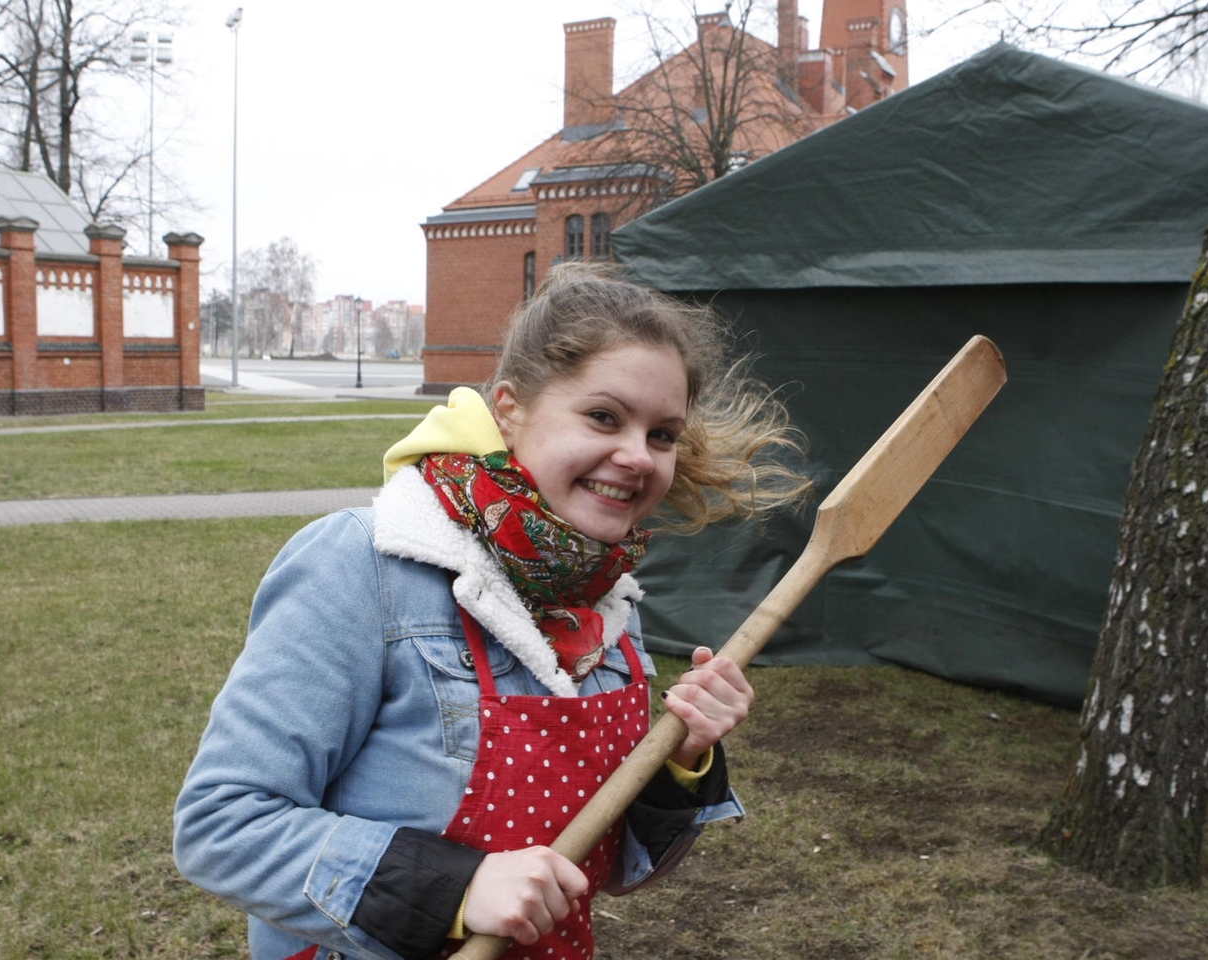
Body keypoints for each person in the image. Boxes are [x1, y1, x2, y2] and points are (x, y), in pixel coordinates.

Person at [173, 263, 811, 960]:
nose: (637, 456)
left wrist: (683, 761)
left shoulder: (605, 602)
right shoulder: (366, 562)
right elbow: (222, 827)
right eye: (604, 416)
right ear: (510, 408)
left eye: (662, 434)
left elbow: (617, 874)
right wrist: (457, 889)